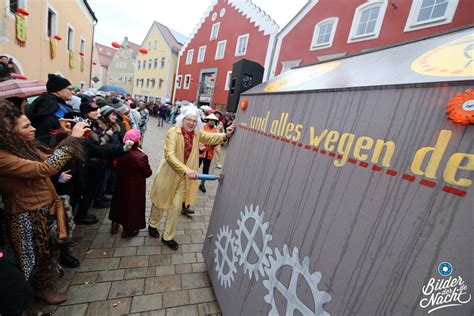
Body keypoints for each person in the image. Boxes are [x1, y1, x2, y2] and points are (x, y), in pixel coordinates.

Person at [0, 100, 89, 304]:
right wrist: (73, 138)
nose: (33, 129)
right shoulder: (3, 156)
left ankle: (43, 288)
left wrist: (66, 135)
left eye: (31, 124)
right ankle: (32, 293)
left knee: (48, 252)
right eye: (26, 127)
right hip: (25, 214)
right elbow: (46, 168)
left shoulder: (22, 146)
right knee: (33, 258)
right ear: (8, 132)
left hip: (44, 209)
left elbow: (49, 157)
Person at [148, 105, 235, 250]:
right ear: (182, 119)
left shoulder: (197, 134)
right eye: (189, 120)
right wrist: (186, 169)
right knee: (160, 202)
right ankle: (153, 224)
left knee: (176, 207)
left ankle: (168, 236)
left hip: (184, 178)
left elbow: (211, 137)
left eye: (194, 121)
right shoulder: (173, 132)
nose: (191, 123)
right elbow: (169, 155)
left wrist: (226, 135)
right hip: (169, 174)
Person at [109, 129, 152, 238]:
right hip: (135, 187)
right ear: (138, 141)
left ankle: (115, 223)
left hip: (120, 182)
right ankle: (128, 230)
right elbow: (148, 173)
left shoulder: (120, 151)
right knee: (132, 207)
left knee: (118, 202)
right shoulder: (140, 156)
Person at [25, 74, 74, 146]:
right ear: (58, 90)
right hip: (52, 147)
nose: (72, 92)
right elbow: (46, 131)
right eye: (69, 89)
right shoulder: (52, 105)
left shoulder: (44, 101)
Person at [198, 113, 221, 193]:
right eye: (210, 120)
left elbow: (217, 140)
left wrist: (213, 141)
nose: (212, 122)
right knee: (195, 167)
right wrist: (210, 140)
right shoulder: (203, 127)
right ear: (207, 120)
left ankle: (202, 184)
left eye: (214, 121)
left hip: (209, 153)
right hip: (200, 151)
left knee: (206, 170)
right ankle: (191, 182)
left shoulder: (216, 130)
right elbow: (201, 138)